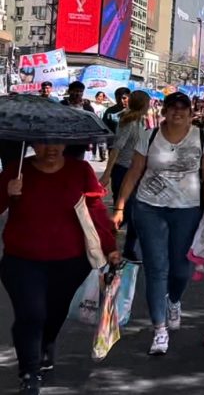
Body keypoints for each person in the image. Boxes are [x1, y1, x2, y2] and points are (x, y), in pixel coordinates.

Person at [1, 143, 120, 393]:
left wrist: (110, 247)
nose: (51, 148)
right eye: (44, 142)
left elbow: (95, 211)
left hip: (69, 262)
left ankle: (47, 342)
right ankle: (29, 372)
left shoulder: (80, 170)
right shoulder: (17, 170)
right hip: (22, 260)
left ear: (66, 143)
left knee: (54, 312)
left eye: (57, 142)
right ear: (33, 144)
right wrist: (7, 192)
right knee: (31, 314)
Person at [114, 91, 204, 355]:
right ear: (164, 111)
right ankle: (159, 329)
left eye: (183, 108)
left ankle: (174, 299)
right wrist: (121, 206)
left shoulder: (203, 138)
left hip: (187, 210)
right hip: (149, 208)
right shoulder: (149, 137)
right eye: (172, 108)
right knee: (156, 268)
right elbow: (134, 172)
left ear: (191, 113)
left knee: (181, 268)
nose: (177, 112)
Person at [100, 90, 152, 262]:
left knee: (135, 214)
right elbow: (117, 148)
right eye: (147, 102)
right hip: (122, 170)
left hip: (134, 172)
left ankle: (129, 249)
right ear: (142, 104)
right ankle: (102, 240)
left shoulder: (139, 122)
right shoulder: (128, 122)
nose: (149, 106)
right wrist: (107, 173)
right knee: (124, 213)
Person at [102, 88, 131, 166]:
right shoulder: (110, 111)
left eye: (124, 98)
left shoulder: (134, 111)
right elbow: (104, 128)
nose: (122, 101)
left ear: (129, 97)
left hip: (130, 148)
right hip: (114, 146)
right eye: (119, 98)